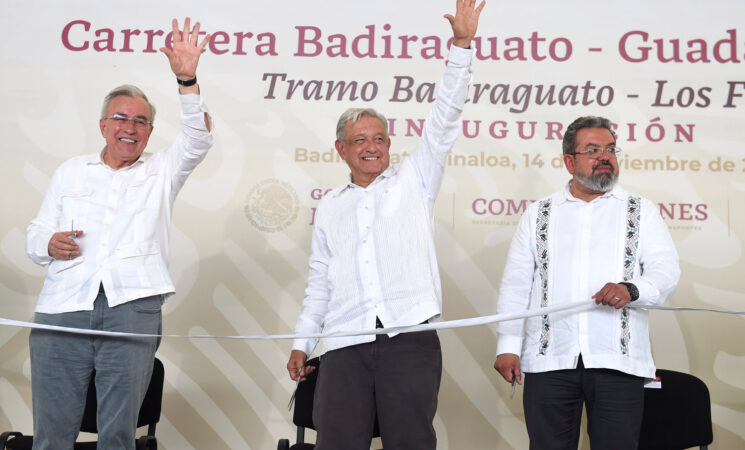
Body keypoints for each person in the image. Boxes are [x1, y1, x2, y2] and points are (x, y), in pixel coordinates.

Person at [285, 1, 485, 448]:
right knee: (336, 443)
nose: (371, 147)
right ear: (341, 149)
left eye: (379, 138)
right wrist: (302, 342)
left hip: (409, 339)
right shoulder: (331, 206)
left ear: (390, 145)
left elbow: (445, 117)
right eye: (360, 140)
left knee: (411, 442)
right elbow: (319, 284)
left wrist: (462, 46)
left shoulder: (415, 178)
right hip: (343, 343)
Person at [25, 18, 212, 449]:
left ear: (150, 131)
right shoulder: (71, 170)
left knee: (118, 433)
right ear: (103, 125)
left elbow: (198, 140)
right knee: (51, 433)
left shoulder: (164, 170)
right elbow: (37, 231)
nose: (130, 127)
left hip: (133, 306)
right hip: (63, 306)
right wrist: (47, 243)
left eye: (141, 122)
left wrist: (187, 79)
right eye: (121, 118)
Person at [492, 115, 680, 449]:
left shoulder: (641, 210)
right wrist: (508, 347)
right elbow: (516, 284)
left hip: (617, 363)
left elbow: (666, 272)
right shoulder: (539, 213)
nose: (605, 156)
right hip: (549, 361)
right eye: (592, 150)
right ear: (569, 161)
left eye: (610, 149)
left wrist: (631, 289)